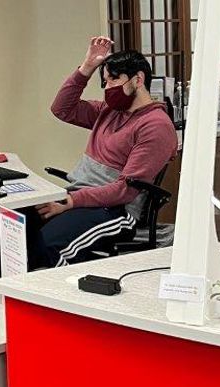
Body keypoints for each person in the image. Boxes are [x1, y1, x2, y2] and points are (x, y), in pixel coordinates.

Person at [32, 37, 178, 268]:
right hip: (79, 197)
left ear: (138, 79)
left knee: (48, 246)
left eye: (113, 80)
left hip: (115, 210)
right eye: (105, 81)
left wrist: (71, 201)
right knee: (5, 225)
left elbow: (125, 190)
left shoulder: (155, 126)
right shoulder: (108, 112)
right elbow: (61, 109)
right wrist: (87, 67)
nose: (107, 87)